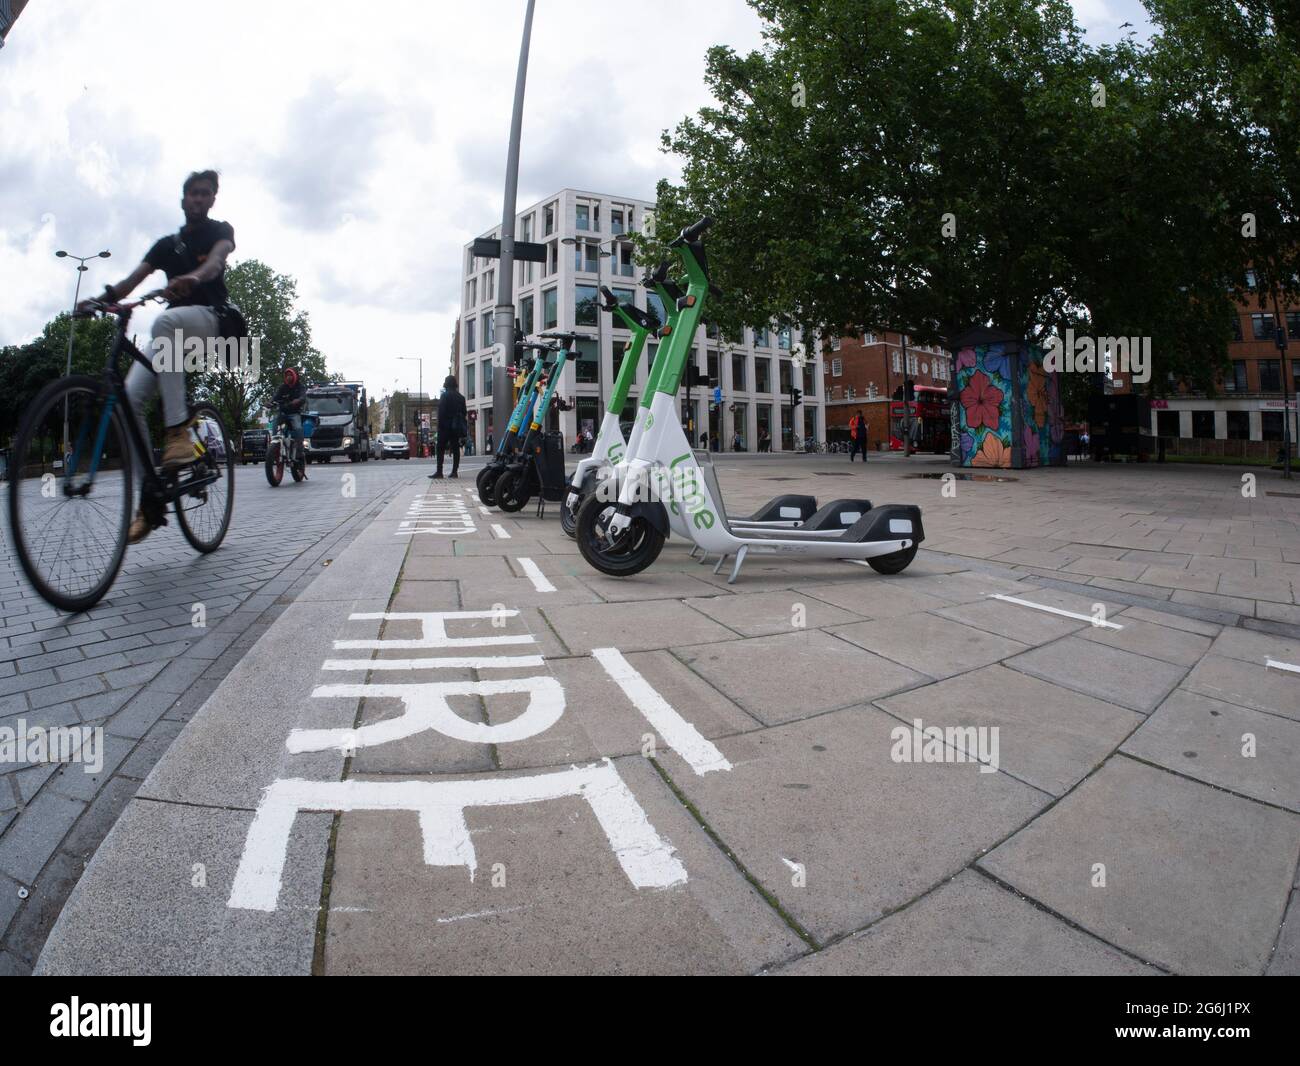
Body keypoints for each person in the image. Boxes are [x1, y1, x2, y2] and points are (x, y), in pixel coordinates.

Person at [82, 169, 235, 542]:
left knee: (163, 326)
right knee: (127, 400)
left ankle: (178, 432)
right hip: (171, 330)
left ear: (212, 199)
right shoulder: (165, 246)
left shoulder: (220, 231)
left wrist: (194, 279)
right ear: (183, 200)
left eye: (205, 194)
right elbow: (130, 282)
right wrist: (100, 300)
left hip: (210, 320)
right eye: (192, 194)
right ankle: (149, 503)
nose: (198, 199)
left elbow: (215, 263)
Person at [269, 367, 308, 478]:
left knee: (298, 429)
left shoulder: (300, 387)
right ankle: (274, 445)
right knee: (275, 422)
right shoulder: (282, 387)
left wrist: (299, 400)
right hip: (282, 413)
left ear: (295, 376)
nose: (288, 377)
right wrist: (270, 402)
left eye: (290, 375)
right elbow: (275, 397)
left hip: (294, 413)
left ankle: (299, 453)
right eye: (287, 375)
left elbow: (303, 397)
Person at [429, 374, 467, 479]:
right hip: (456, 427)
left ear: (446, 384)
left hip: (445, 427)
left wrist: (440, 426)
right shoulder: (461, 398)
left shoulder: (444, 396)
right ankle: (454, 472)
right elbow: (464, 413)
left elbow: (441, 412)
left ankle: (439, 472)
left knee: (440, 448)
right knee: (455, 449)